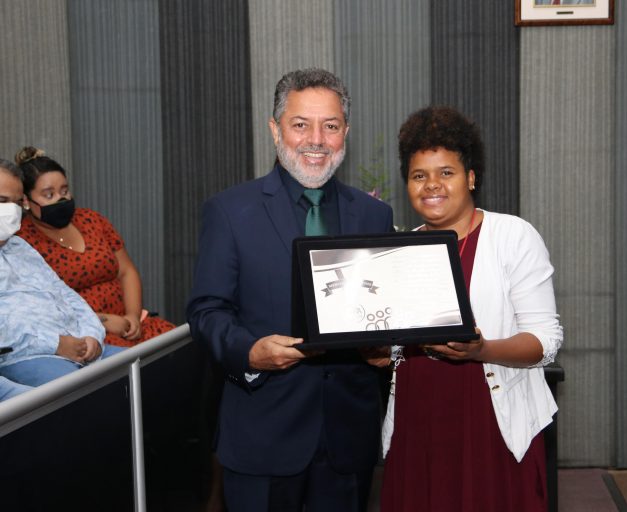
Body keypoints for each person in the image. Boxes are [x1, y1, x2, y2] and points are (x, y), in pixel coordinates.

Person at [186, 68, 394, 512]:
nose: (316, 140)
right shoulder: (230, 211)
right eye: (301, 124)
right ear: (275, 129)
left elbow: (384, 309)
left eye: (330, 126)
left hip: (347, 439)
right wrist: (250, 352)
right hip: (262, 432)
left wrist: (385, 349)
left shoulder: (373, 215)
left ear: (346, 132)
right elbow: (206, 310)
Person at [380, 106, 563, 511]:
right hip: (417, 422)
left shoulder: (512, 237)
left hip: (489, 425)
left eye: (446, 172)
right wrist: (374, 350)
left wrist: (482, 350)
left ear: (471, 177)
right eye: (419, 175)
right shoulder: (397, 251)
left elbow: (545, 342)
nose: (432, 185)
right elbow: (394, 346)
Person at [15, 147, 175, 347]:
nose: (61, 199)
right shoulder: (22, 242)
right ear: (26, 201)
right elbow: (41, 308)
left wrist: (133, 316)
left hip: (129, 324)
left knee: (177, 345)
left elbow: (126, 271)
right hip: (85, 335)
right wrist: (103, 321)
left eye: (64, 191)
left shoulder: (90, 219)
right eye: (49, 195)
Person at [0, 158, 120, 387]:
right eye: (2, 201)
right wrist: (55, 344)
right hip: (26, 356)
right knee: (89, 393)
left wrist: (92, 335)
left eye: (16, 203)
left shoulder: (20, 247)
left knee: (148, 368)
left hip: (79, 345)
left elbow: (65, 294)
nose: (11, 211)